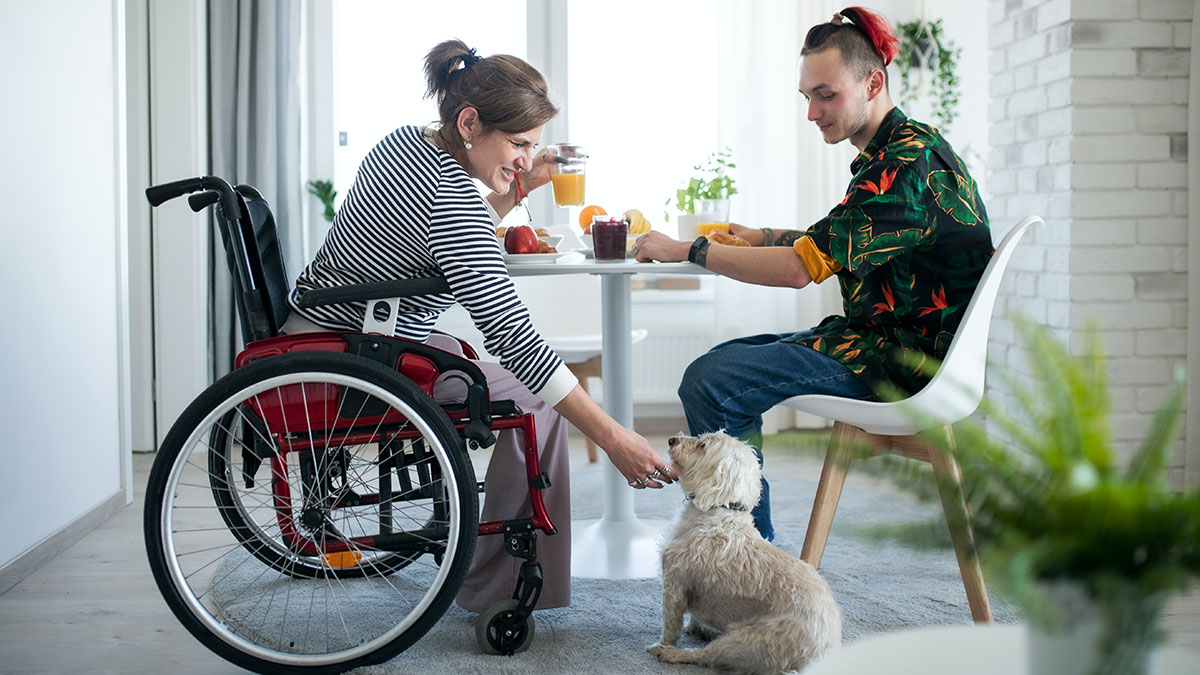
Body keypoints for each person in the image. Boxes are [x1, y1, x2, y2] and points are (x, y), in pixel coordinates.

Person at [281, 39, 676, 613]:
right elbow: (513, 335)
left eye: (533, 147)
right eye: (519, 144)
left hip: (323, 328)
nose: (525, 159)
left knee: (499, 372)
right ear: (469, 123)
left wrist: (523, 182)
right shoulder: (452, 194)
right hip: (355, 358)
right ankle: (497, 592)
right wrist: (613, 437)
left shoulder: (408, 143)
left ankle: (495, 571)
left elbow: (442, 234)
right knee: (538, 403)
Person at [631, 7, 992, 542]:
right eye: (807, 97)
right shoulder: (903, 148)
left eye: (826, 95)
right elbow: (838, 242)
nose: (813, 112)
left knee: (714, 381)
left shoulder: (905, 166)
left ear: (873, 82)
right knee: (715, 368)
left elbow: (802, 270)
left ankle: (748, 562)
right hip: (881, 339)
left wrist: (688, 249)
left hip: (904, 363)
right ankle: (747, 551)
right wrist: (763, 236)